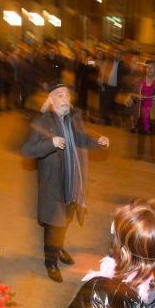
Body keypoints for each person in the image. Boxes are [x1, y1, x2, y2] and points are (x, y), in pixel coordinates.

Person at [22, 83, 109, 283]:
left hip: (72, 183)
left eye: (67, 96)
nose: (65, 99)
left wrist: (98, 141)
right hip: (53, 186)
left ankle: (59, 247)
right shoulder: (42, 122)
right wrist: (49, 143)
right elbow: (27, 150)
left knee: (65, 220)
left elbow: (81, 139)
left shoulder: (70, 121)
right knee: (54, 225)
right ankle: (50, 262)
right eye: (60, 95)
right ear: (51, 100)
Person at [134, 60, 155, 162]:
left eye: (152, 67)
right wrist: (137, 96)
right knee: (141, 134)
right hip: (142, 111)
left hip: (154, 112)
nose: (149, 69)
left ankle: (154, 156)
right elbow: (133, 94)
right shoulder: (140, 81)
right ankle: (139, 153)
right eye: (148, 67)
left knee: (154, 135)